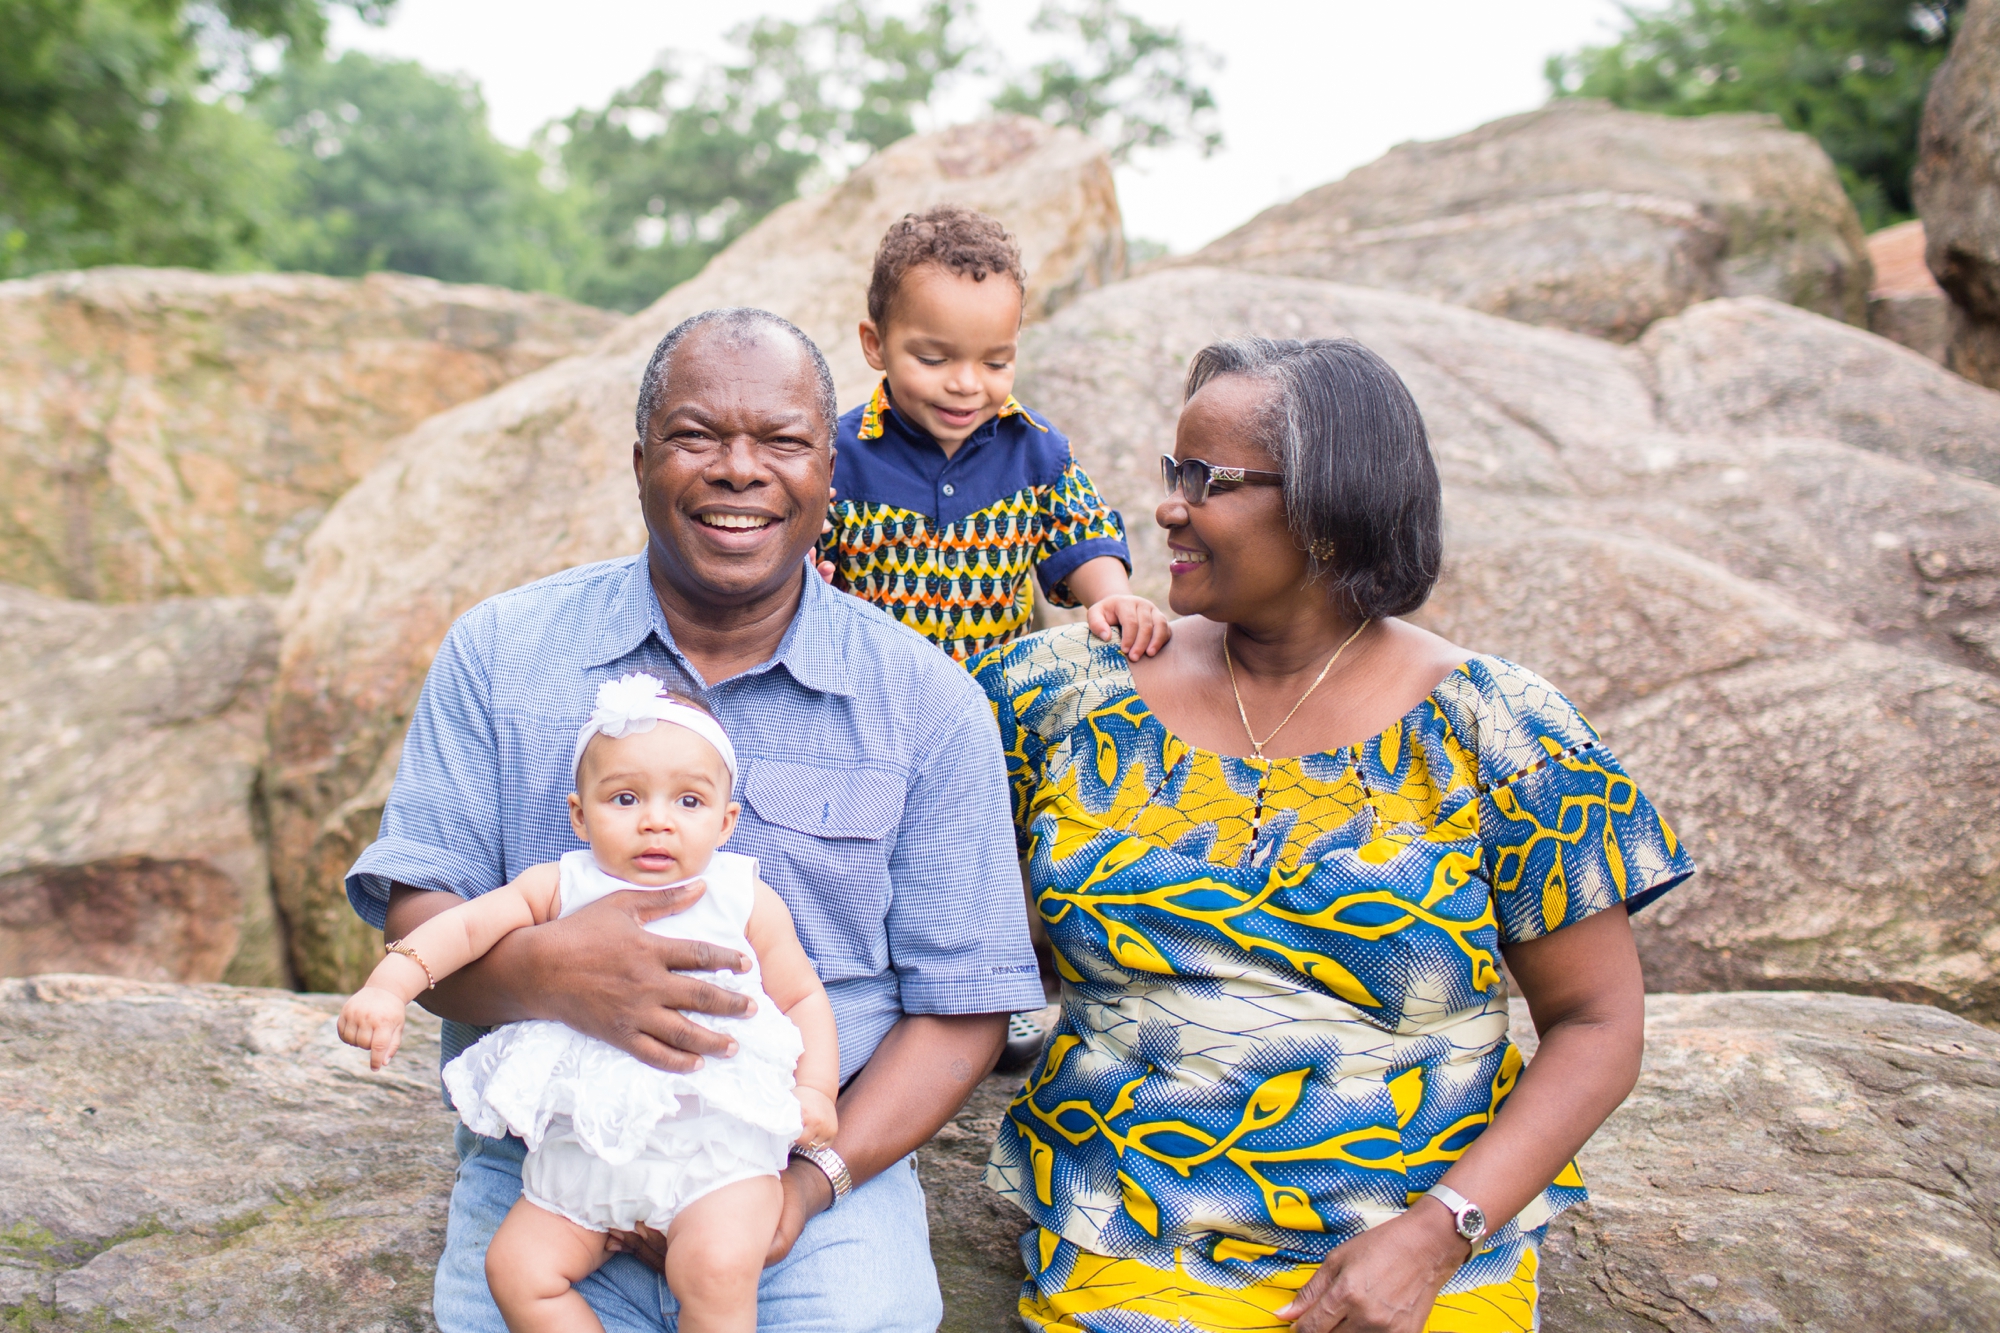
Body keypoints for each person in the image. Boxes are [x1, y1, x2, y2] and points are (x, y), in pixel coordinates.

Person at [971, 337, 1696, 1333]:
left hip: (1418, 1269)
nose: (1168, 507)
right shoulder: (1056, 697)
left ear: (1326, 507)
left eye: (1207, 479)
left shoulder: (1498, 729)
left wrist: (1437, 1232)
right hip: (1130, 1253)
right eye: (1171, 473)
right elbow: (933, 934)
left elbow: (1599, 1024)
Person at [345, 307, 1046, 1333]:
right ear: (638, 461)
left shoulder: (926, 701)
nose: (737, 469)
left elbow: (963, 1005)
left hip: (798, 1180)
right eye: (695, 436)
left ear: (830, 467)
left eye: (780, 440)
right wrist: (555, 976)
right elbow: (421, 898)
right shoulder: (502, 653)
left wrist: (804, 1187)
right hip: (549, 1168)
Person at [338, 674, 840, 1333]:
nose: (656, 819)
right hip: (588, 1153)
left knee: (716, 1272)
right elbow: (462, 929)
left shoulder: (742, 896)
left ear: (725, 820)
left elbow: (803, 996)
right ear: (580, 813)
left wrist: (816, 1092)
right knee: (517, 1271)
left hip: (714, 1148)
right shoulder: (559, 885)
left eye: (688, 800)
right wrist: (390, 984)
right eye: (626, 797)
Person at [818, 204, 1172, 664]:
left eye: (995, 362)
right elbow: (797, 558)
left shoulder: (1036, 450)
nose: (966, 384)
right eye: (933, 360)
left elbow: (1082, 534)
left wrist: (1110, 596)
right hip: (873, 694)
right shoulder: (840, 455)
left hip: (995, 701)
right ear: (875, 344)